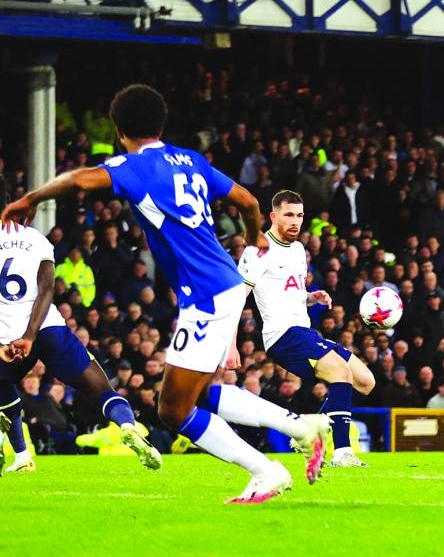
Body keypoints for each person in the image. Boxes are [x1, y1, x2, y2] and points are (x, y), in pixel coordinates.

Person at [1, 84, 326, 503]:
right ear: (160, 123)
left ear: (119, 130)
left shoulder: (135, 166)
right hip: (221, 283)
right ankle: (300, 427)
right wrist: (251, 239)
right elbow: (247, 201)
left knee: (172, 410)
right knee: (197, 394)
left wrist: (30, 198)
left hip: (207, 294)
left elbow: (80, 180)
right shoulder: (191, 159)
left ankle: (266, 470)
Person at [0, 211, 160, 473]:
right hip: (48, 327)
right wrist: (32, 333)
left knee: (2, 384)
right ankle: (128, 426)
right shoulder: (35, 238)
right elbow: (47, 288)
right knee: (103, 390)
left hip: (8, 336)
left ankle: (20, 455)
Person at [239, 189, 375, 468]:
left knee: (365, 381)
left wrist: (312, 297)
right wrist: (230, 345)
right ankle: (342, 452)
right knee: (341, 372)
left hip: (304, 331)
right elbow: (238, 297)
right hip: (282, 336)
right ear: (273, 216)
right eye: (288, 215)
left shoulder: (299, 249)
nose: (295, 221)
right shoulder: (256, 250)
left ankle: (306, 429)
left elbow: (291, 291)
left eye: (299, 216)